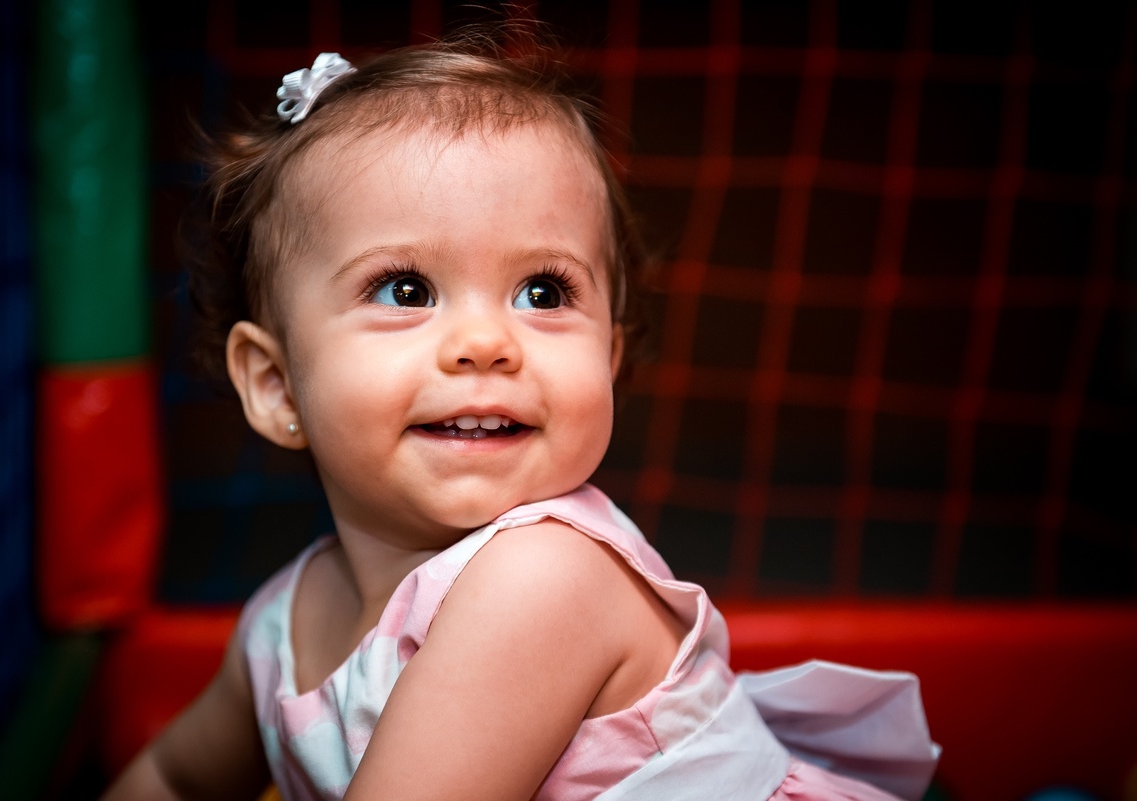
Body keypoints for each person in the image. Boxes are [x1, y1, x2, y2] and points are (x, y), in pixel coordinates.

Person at [104, 28, 939, 801]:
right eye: (406, 289)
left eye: (544, 292)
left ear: (608, 356)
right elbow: (175, 777)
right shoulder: (276, 627)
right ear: (278, 385)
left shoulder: (542, 578)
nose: (485, 342)